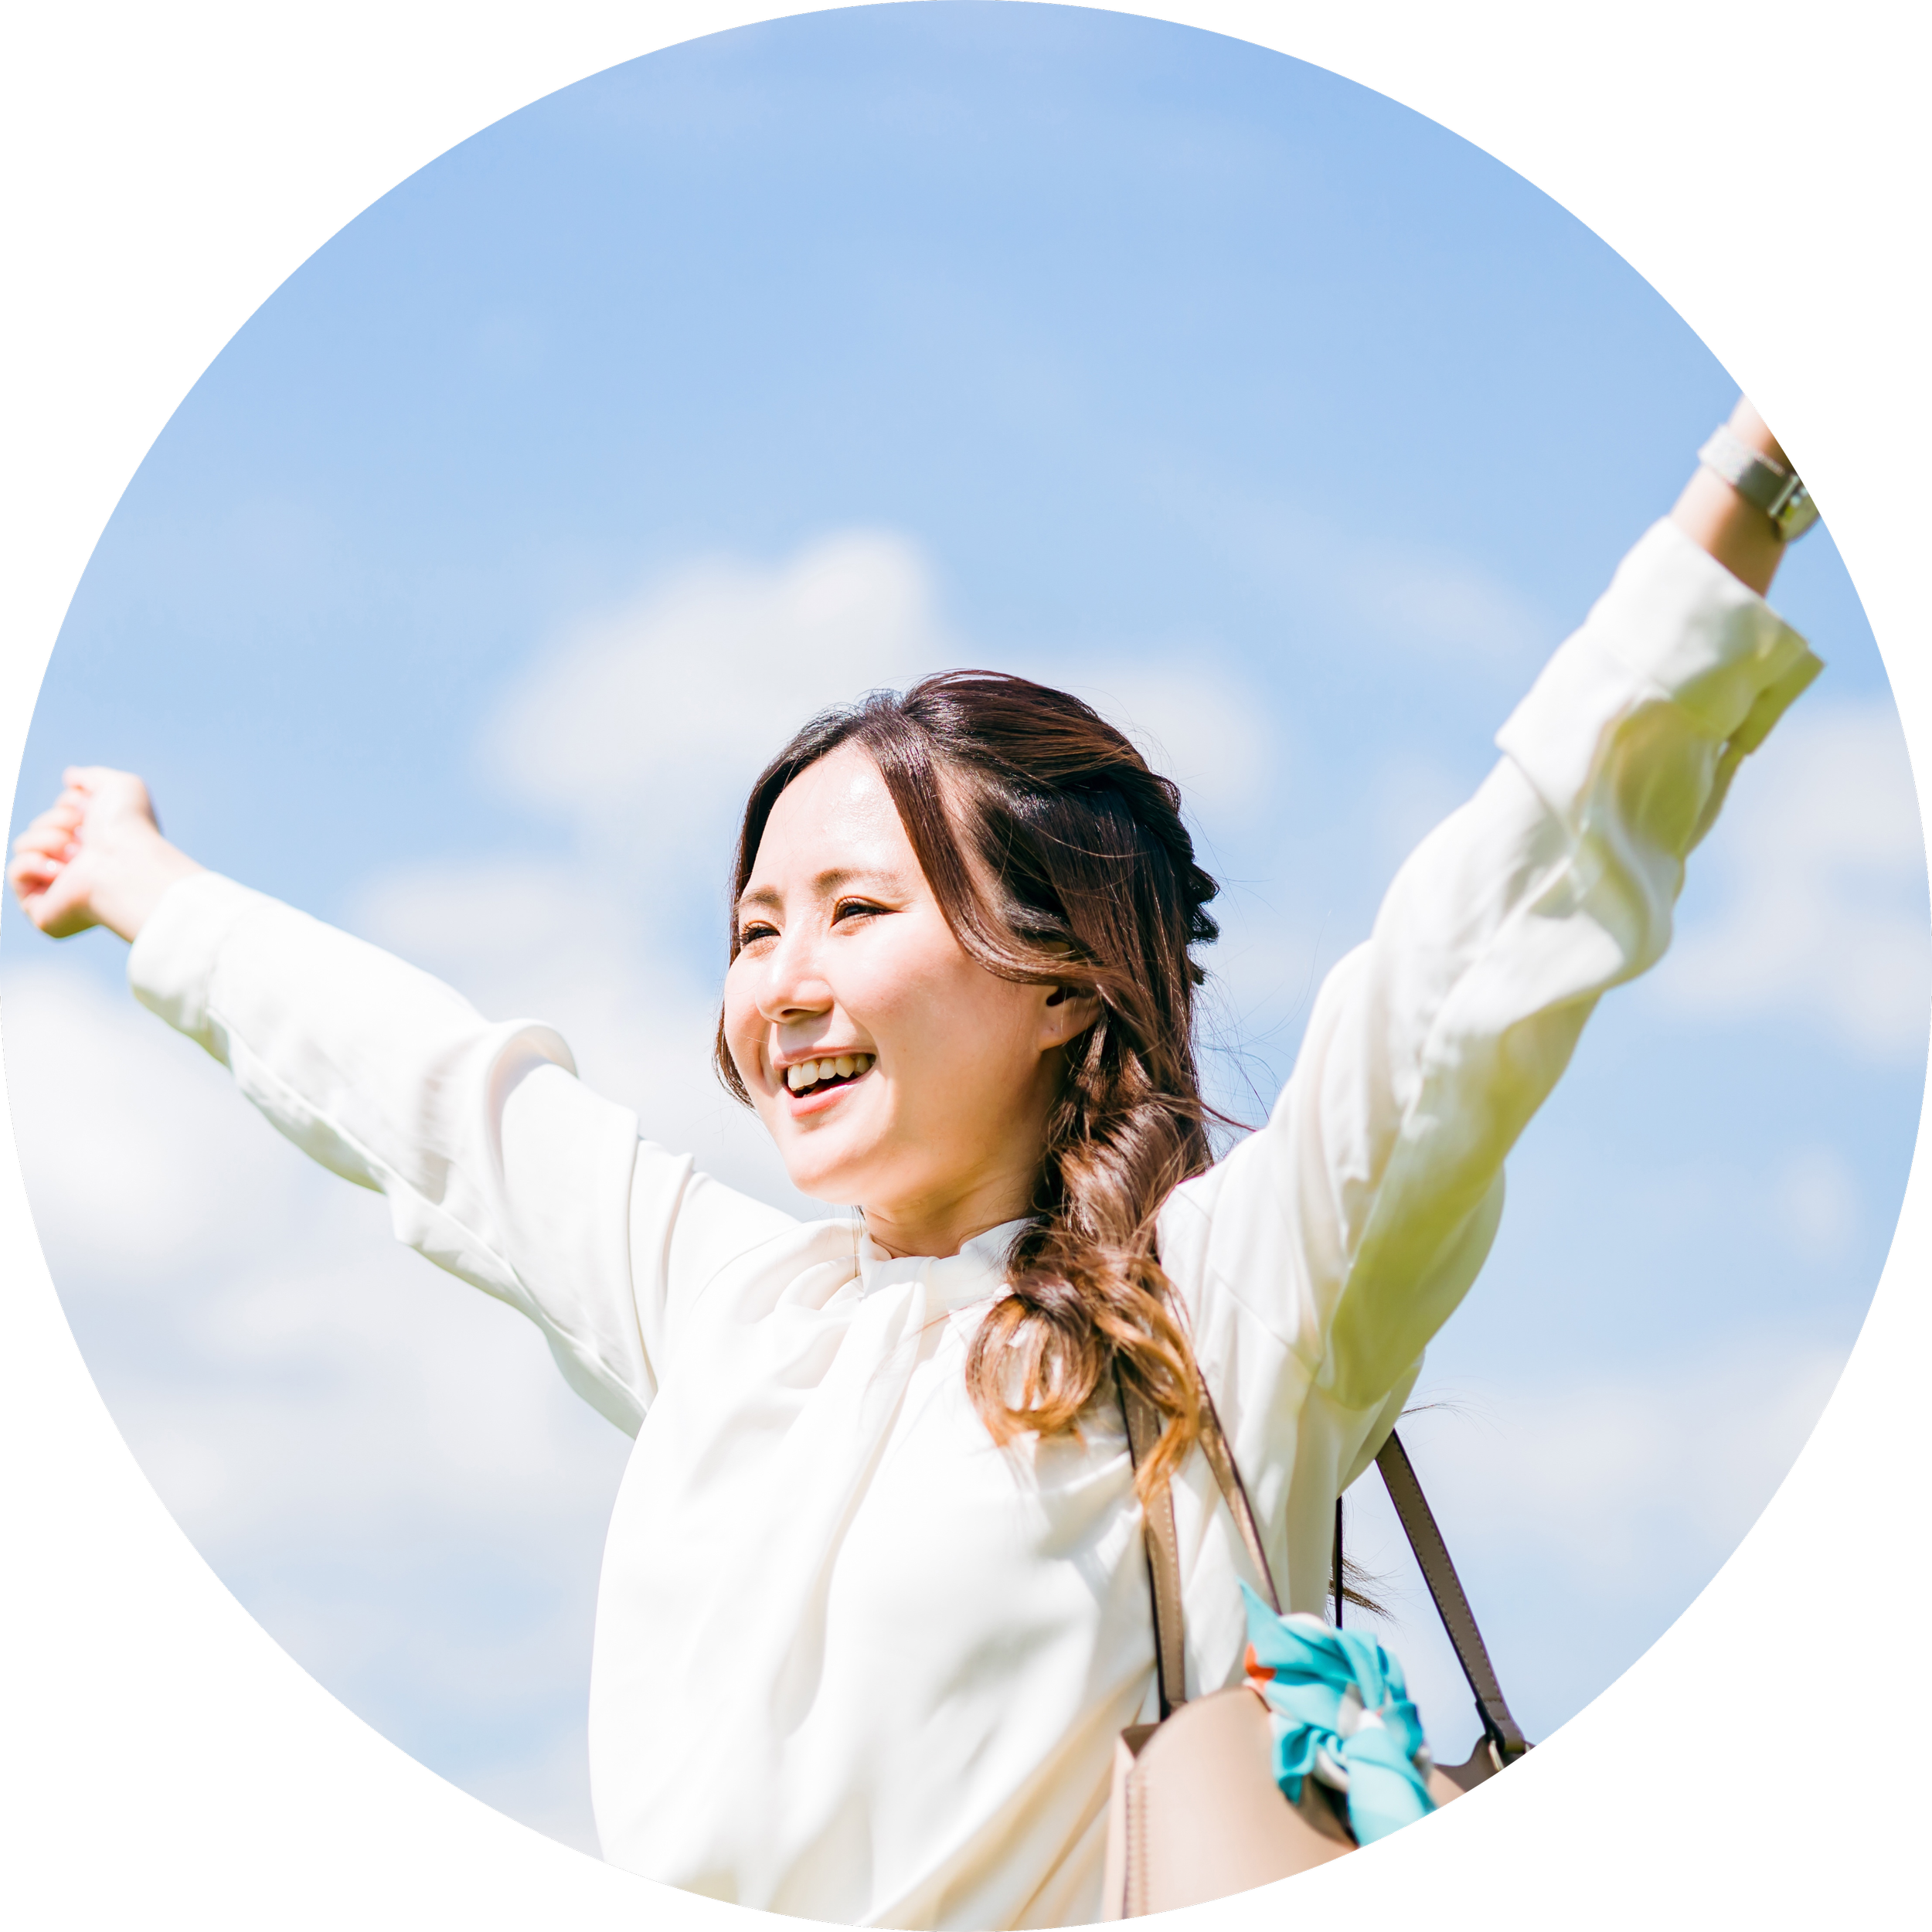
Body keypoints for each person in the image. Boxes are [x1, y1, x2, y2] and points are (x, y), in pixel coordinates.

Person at [11, 396, 1822, 1927]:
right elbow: (431, 1097)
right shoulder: (732, 1307)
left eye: (856, 910)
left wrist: (1736, 499)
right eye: (752, 927)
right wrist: (150, 888)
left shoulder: (1227, 1306)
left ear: (1058, 976)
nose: (781, 983)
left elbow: (1471, 956)